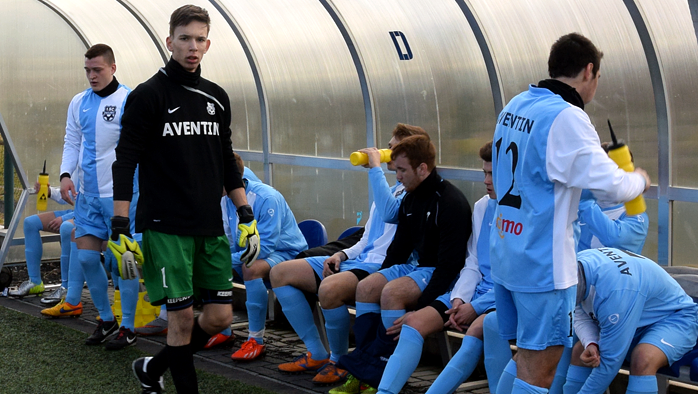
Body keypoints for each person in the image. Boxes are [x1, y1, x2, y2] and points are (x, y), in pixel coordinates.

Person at [489, 32, 651, 394]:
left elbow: (538, 174)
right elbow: (615, 187)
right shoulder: (568, 118)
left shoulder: (516, 104)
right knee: (540, 369)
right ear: (589, 71)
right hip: (542, 265)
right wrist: (638, 179)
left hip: (506, 251)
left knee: (525, 358)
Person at [110, 5, 259, 393]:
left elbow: (227, 162)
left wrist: (246, 214)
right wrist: (120, 225)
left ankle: (152, 368)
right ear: (169, 41)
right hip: (165, 226)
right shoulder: (148, 95)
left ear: (207, 44)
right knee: (181, 320)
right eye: (184, 38)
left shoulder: (217, 97)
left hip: (209, 225)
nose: (192, 47)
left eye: (199, 39)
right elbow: (124, 161)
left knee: (220, 318)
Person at [269, 124, 426, 386]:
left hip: (384, 266)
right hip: (361, 259)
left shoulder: (417, 190)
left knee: (329, 289)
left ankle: (338, 360)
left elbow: (391, 214)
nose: (384, 153)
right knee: (280, 272)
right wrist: (341, 254)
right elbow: (368, 236)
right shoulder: (390, 188)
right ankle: (317, 353)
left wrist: (375, 168)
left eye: (391, 149)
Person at [334, 134, 471, 392]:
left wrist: (421, 307)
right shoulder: (410, 198)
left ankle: (381, 373)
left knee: (391, 293)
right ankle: (363, 365)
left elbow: (450, 267)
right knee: (366, 287)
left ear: (422, 168)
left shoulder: (450, 202)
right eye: (396, 169)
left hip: (443, 272)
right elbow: (399, 251)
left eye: (401, 170)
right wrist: (380, 275)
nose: (397, 177)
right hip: (419, 267)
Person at [377, 141, 497, 394]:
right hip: (472, 293)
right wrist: (459, 299)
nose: (486, 180)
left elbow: (517, 279)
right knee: (412, 324)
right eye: (484, 173)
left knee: (477, 329)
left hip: (503, 298)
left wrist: (474, 307)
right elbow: (472, 263)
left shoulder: (525, 213)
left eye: (492, 174)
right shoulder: (483, 205)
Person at [50, 43, 141, 350]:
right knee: (88, 257)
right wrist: (66, 175)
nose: (91, 75)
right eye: (87, 70)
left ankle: (128, 326)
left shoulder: (130, 100)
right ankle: (106, 319)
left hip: (121, 198)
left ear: (113, 68)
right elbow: (72, 141)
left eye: (97, 70)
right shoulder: (79, 102)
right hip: (87, 197)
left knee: (124, 261)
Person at [205, 154, 307, 359]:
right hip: (257, 253)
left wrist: (224, 260)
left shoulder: (267, 198)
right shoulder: (225, 199)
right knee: (212, 263)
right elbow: (227, 238)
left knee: (250, 267)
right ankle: (223, 330)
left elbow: (266, 246)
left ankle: (255, 340)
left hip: (287, 253)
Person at [562, 248, 698, 394]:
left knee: (643, 358)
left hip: (676, 317)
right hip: (634, 317)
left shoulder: (615, 290)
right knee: (580, 351)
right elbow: (579, 311)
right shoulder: (574, 266)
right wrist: (591, 342)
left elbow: (609, 364)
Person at [10, 183, 73, 301]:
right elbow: (71, 196)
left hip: (92, 215)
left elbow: (93, 205)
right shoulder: (73, 166)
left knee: (66, 228)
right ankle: (35, 282)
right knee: (30, 223)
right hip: (78, 212)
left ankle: (67, 287)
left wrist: (64, 218)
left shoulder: (99, 168)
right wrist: (49, 191)